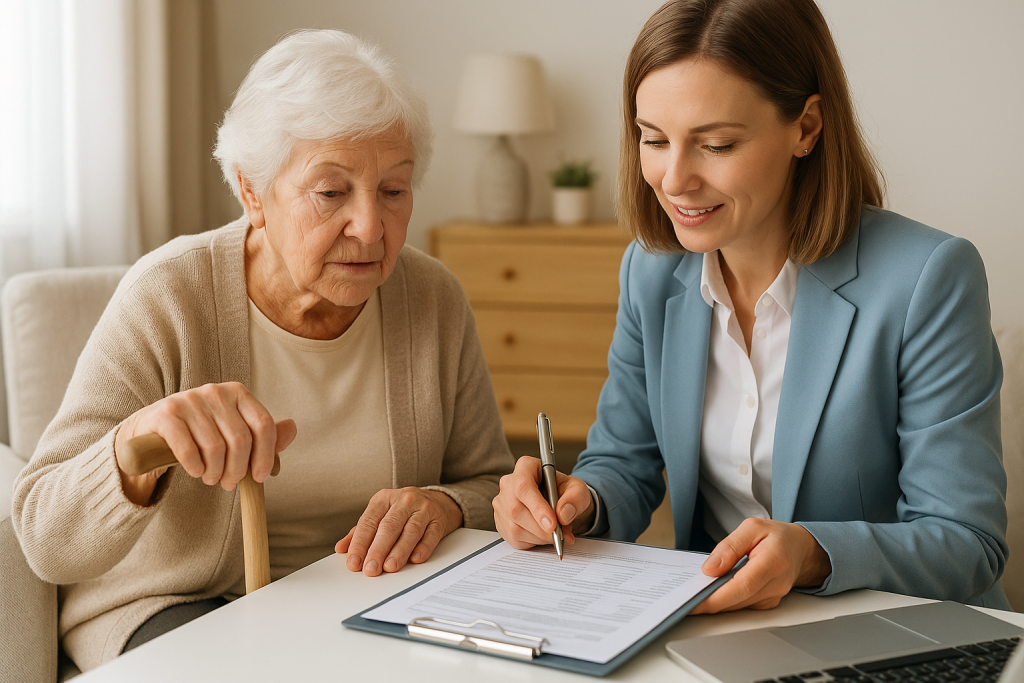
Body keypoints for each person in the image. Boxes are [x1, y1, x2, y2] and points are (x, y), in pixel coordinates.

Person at [11, 30, 513, 671]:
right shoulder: (169, 296)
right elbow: (43, 538)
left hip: (365, 608)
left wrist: (444, 505)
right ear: (253, 193)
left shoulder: (432, 298)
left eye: (394, 190)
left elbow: (492, 483)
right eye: (331, 192)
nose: (369, 226)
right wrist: (134, 448)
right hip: (179, 606)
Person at [493, 0, 1010, 612]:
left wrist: (810, 552)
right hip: (721, 629)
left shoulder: (928, 278)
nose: (674, 179)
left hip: (891, 630)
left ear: (807, 127)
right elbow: (623, 464)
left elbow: (967, 542)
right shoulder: (651, 271)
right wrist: (576, 500)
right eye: (653, 139)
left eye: (715, 144)